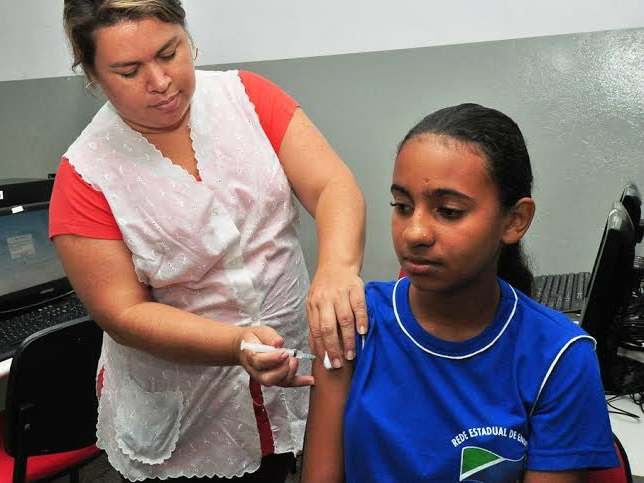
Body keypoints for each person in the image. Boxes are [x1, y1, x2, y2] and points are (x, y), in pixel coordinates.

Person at [51, 1, 366, 481]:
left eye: (169, 52)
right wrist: (235, 343)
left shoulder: (249, 98)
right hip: (189, 415)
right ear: (93, 75)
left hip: (291, 374)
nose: (160, 81)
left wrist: (337, 269)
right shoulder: (86, 175)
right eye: (129, 70)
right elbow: (124, 313)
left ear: (187, 36)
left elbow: (332, 187)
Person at [301, 103, 620, 483]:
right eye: (402, 206)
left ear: (515, 220)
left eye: (448, 211)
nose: (414, 232)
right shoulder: (353, 323)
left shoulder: (559, 357)